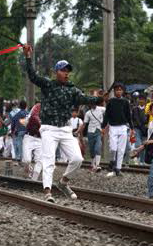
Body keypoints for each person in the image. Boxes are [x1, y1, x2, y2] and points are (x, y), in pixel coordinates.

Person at [24, 44, 103, 203]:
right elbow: (32, 76)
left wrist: (99, 99)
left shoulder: (72, 90)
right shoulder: (48, 84)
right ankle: (47, 192)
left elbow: (85, 99)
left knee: (78, 159)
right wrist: (27, 57)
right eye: (62, 70)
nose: (66, 73)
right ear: (56, 72)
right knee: (49, 161)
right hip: (48, 129)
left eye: (67, 71)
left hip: (65, 130)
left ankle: (63, 183)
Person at [102, 83, 133, 177]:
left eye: (120, 90)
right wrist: (103, 127)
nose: (118, 91)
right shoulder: (110, 102)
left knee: (121, 149)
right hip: (113, 127)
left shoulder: (126, 102)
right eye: (116, 90)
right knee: (113, 147)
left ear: (122, 91)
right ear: (114, 91)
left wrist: (132, 128)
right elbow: (107, 115)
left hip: (123, 127)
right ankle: (112, 160)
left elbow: (129, 116)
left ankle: (118, 169)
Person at [80, 100, 106, 172]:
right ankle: (93, 164)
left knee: (98, 147)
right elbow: (84, 124)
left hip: (99, 131)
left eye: (94, 103)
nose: (92, 104)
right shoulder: (88, 113)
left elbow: (109, 113)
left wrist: (106, 126)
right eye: (91, 103)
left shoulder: (102, 109)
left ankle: (97, 165)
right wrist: (79, 132)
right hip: (90, 132)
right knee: (92, 150)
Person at [22, 102, 43, 180]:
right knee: (27, 160)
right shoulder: (37, 106)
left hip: (41, 139)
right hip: (29, 137)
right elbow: (26, 121)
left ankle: (34, 179)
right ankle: (29, 170)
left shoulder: (53, 109)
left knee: (40, 161)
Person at [132, 94, 148, 164]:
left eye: (142, 99)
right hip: (137, 128)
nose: (141, 101)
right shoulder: (134, 109)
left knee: (143, 145)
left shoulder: (147, 110)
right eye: (140, 99)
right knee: (138, 144)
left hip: (145, 130)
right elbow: (133, 119)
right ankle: (137, 158)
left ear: (145, 101)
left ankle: (142, 161)